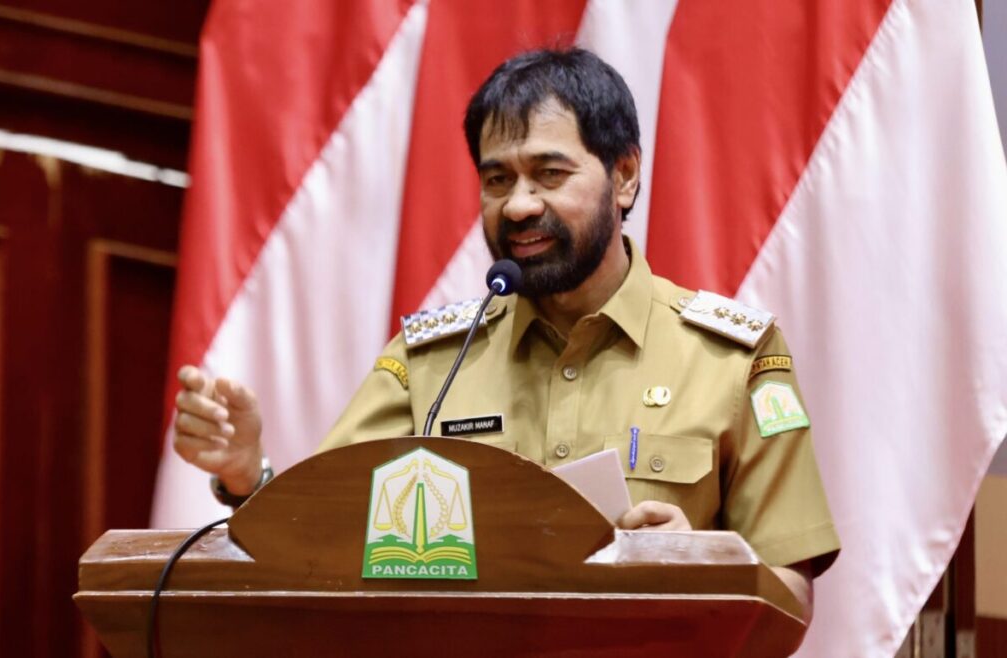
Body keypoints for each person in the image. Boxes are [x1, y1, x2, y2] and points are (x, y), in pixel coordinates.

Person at [173, 48, 839, 625]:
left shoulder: (730, 359)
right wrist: (247, 475)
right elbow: (319, 540)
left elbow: (790, 591)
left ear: (624, 175)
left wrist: (706, 568)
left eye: (550, 174)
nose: (518, 205)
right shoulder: (431, 364)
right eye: (497, 180)